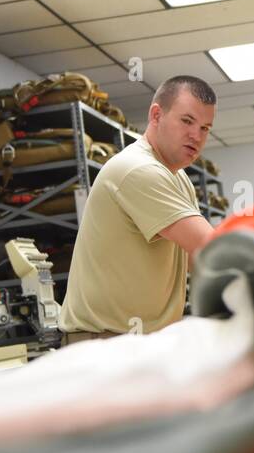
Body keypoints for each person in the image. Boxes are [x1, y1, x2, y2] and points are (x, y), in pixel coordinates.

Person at [59, 76, 216, 342]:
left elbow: (200, 260)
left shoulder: (178, 178)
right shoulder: (139, 170)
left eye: (205, 128)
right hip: (106, 344)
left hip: (137, 341)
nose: (196, 136)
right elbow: (210, 246)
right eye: (187, 121)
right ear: (156, 115)